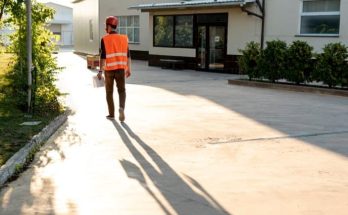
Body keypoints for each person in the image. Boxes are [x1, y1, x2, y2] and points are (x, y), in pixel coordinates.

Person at [98, 16, 131, 122]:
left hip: (109, 70)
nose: (105, 28)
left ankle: (111, 114)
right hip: (121, 69)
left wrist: (100, 71)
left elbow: (103, 57)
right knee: (122, 91)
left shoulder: (104, 39)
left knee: (109, 92)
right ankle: (121, 108)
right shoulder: (124, 38)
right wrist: (128, 69)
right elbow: (128, 56)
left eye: (106, 26)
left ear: (108, 26)